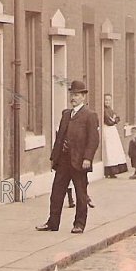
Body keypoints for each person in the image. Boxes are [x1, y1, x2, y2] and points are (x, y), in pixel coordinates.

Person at [36, 80, 99, 234]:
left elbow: (93, 140)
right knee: (56, 192)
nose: (73, 98)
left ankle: (79, 224)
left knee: (80, 194)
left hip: (79, 161)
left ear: (83, 97)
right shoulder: (66, 114)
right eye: (72, 95)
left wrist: (87, 158)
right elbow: (60, 137)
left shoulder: (90, 115)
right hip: (64, 160)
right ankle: (53, 223)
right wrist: (55, 157)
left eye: (77, 95)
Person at [102, 94, 128, 178]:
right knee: (109, 150)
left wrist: (114, 120)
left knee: (114, 150)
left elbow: (117, 118)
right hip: (107, 130)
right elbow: (108, 121)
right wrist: (113, 120)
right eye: (106, 100)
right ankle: (109, 170)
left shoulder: (110, 110)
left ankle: (114, 170)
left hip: (113, 131)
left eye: (109, 100)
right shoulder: (103, 110)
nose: (107, 102)